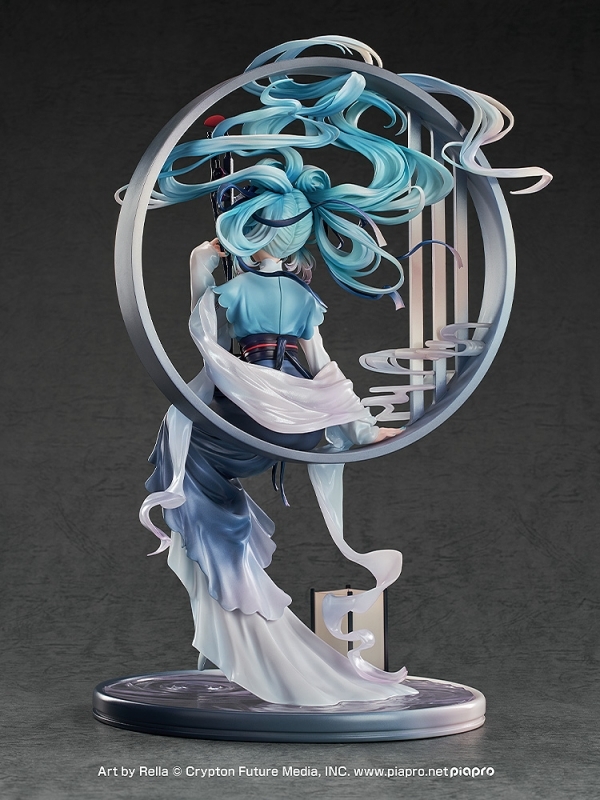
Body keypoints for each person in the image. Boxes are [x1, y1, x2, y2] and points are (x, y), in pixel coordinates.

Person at [123, 35, 551, 706]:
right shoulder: (226, 277)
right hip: (241, 404)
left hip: (282, 403)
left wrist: (357, 422)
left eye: (288, 226)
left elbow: (319, 358)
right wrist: (212, 256)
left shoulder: (298, 289)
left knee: (309, 403)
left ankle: (254, 605)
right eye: (263, 224)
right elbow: (207, 329)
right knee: (201, 492)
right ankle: (235, 608)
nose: (277, 238)